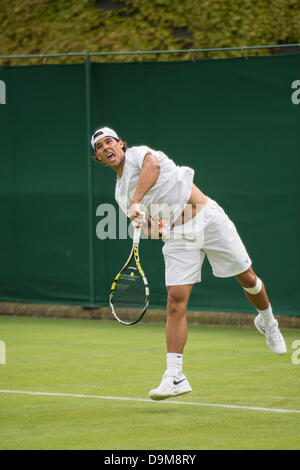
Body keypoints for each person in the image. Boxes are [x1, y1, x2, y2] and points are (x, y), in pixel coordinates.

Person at [91, 126, 287, 401]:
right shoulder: (120, 194)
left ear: (122, 144)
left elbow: (154, 166)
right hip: (177, 236)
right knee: (175, 300)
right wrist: (151, 226)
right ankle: (175, 376)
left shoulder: (139, 155)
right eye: (99, 147)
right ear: (98, 158)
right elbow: (149, 229)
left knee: (248, 279)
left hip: (207, 218)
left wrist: (137, 201)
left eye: (109, 142)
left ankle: (268, 321)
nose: (106, 148)